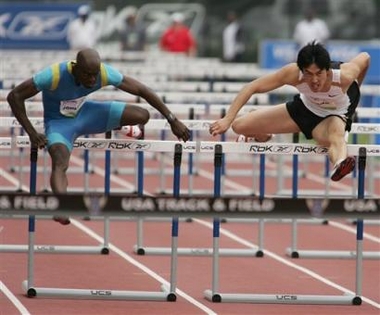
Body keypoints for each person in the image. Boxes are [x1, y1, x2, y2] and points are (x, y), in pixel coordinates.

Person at [7, 48, 191, 224]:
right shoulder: (53, 74)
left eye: (95, 74)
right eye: (87, 74)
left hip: (87, 114)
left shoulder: (102, 73)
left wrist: (172, 119)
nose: (92, 79)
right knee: (59, 159)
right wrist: (32, 133)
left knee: (142, 115)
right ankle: (61, 206)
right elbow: (14, 96)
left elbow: (142, 90)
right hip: (59, 123)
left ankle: (119, 126)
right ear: (75, 68)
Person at [209, 42, 370, 182]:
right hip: (305, 108)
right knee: (239, 126)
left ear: (327, 70)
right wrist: (227, 119)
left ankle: (340, 164)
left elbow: (365, 57)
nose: (314, 80)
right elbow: (252, 87)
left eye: (319, 74)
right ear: (301, 70)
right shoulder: (293, 73)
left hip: (333, 116)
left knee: (336, 136)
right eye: (309, 74)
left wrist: (357, 86)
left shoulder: (345, 75)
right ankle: (264, 135)